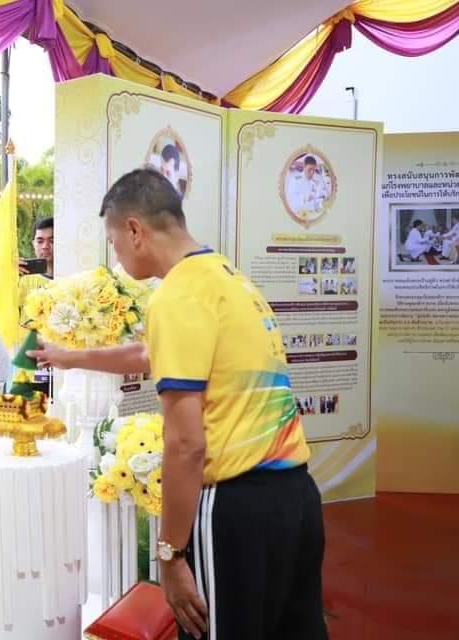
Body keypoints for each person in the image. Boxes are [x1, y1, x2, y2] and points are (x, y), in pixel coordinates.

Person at [29, 169, 324, 640]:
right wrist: (69, 357)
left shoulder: (177, 295)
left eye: (114, 242)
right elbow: (149, 354)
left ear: (134, 230)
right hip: (297, 497)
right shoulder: (226, 279)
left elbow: (186, 444)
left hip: (237, 507)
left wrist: (170, 554)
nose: (117, 255)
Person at [18, 218, 55, 395]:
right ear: (33, 244)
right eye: (40, 241)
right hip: (31, 368)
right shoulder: (24, 281)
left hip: (63, 366)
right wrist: (7, 275)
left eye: (52, 240)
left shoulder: (72, 280)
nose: (45, 246)